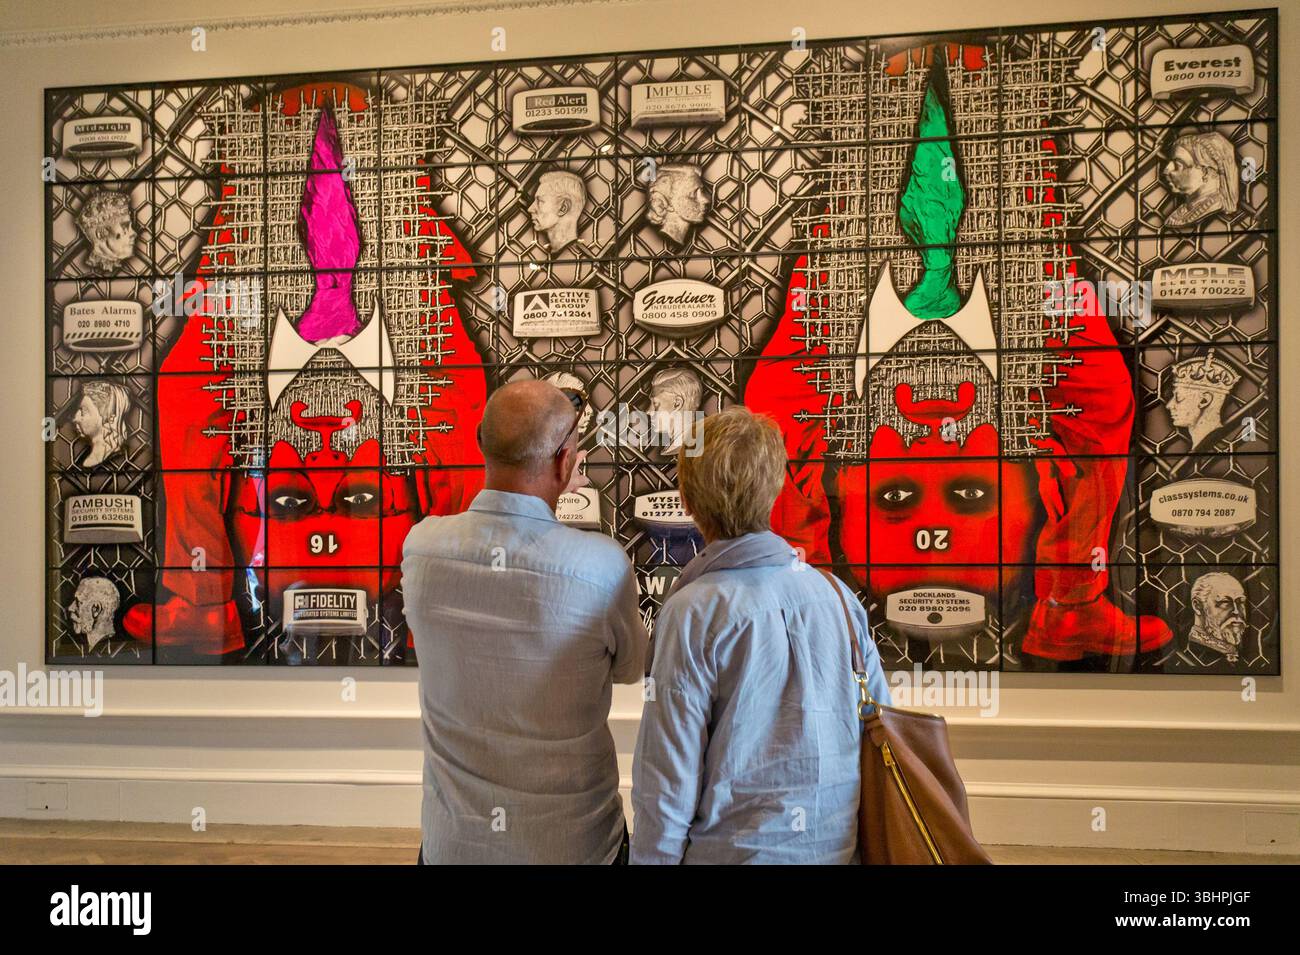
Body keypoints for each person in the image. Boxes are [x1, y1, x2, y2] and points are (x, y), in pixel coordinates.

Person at [402, 379, 648, 864]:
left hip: (454, 847)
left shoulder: (421, 547)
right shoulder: (600, 565)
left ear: (480, 443)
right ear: (565, 462)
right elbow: (630, 668)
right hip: (576, 847)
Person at [631, 405, 891, 864]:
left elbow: (668, 776)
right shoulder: (837, 597)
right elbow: (880, 725)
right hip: (837, 851)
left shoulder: (691, 613)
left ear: (687, 501)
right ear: (774, 491)